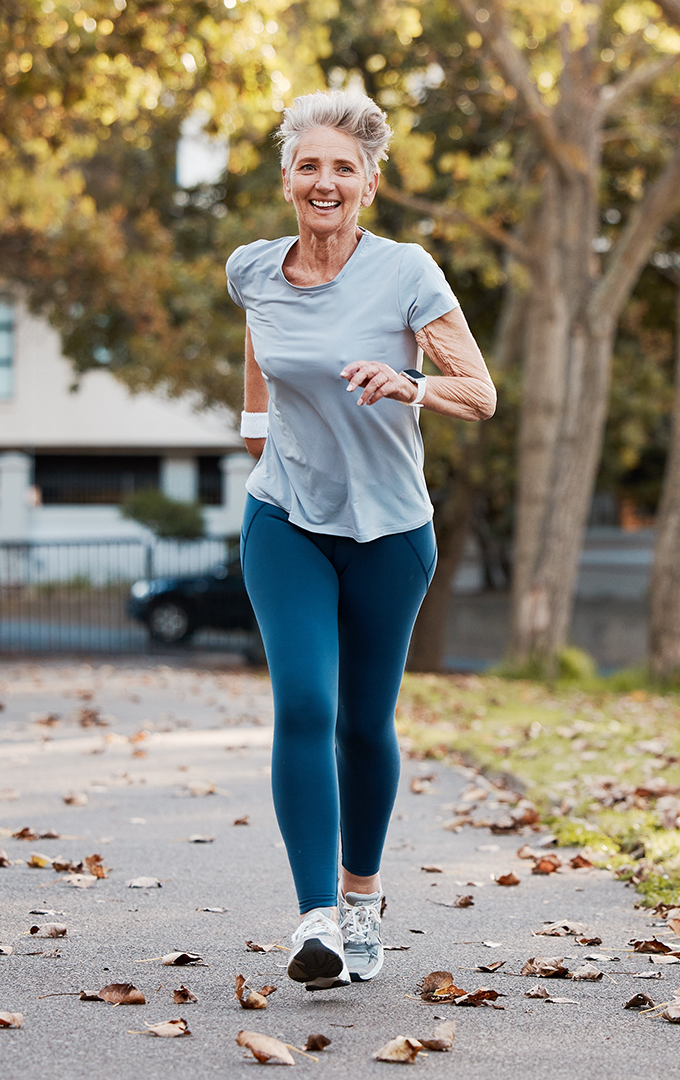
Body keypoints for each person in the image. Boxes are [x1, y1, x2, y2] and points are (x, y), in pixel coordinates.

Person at [226, 89, 496, 990]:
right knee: (305, 704)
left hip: (390, 530)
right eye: (309, 166)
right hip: (286, 517)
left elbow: (481, 394)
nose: (325, 182)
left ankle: (363, 897)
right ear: (288, 179)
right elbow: (262, 348)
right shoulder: (253, 270)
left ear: (369, 185)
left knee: (363, 722)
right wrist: (256, 425)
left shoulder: (407, 273)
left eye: (344, 168)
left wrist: (410, 382)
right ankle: (317, 921)